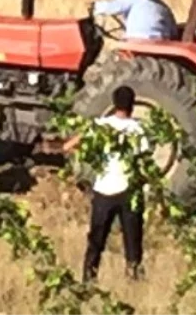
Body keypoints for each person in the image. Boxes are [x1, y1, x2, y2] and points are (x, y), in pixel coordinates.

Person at [63, 85, 149, 283]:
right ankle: (133, 280)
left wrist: (89, 157)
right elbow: (145, 160)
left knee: (96, 240)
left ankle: (88, 279)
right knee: (132, 240)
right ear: (132, 105)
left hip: (103, 191)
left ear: (114, 103)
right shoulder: (138, 129)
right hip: (129, 191)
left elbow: (69, 146)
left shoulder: (101, 126)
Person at [90, 0, 178, 41]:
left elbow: (110, 7)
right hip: (159, 43)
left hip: (136, 42)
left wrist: (95, 6)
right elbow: (174, 32)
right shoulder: (165, 9)